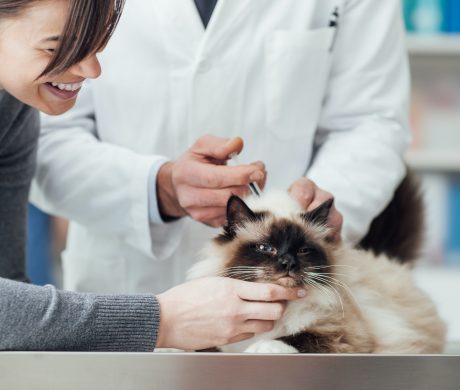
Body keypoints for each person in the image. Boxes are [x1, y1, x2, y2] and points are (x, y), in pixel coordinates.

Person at [31, 0, 410, 295]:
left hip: (289, 297)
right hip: (126, 285)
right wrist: (157, 188)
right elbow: (43, 136)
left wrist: (313, 216)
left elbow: (371, 121)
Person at [0, 0, 304, 352]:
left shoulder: (13, 107)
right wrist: (161, 320)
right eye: (57, 47)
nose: (91, 69)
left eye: (94, 45)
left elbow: (9, 293)